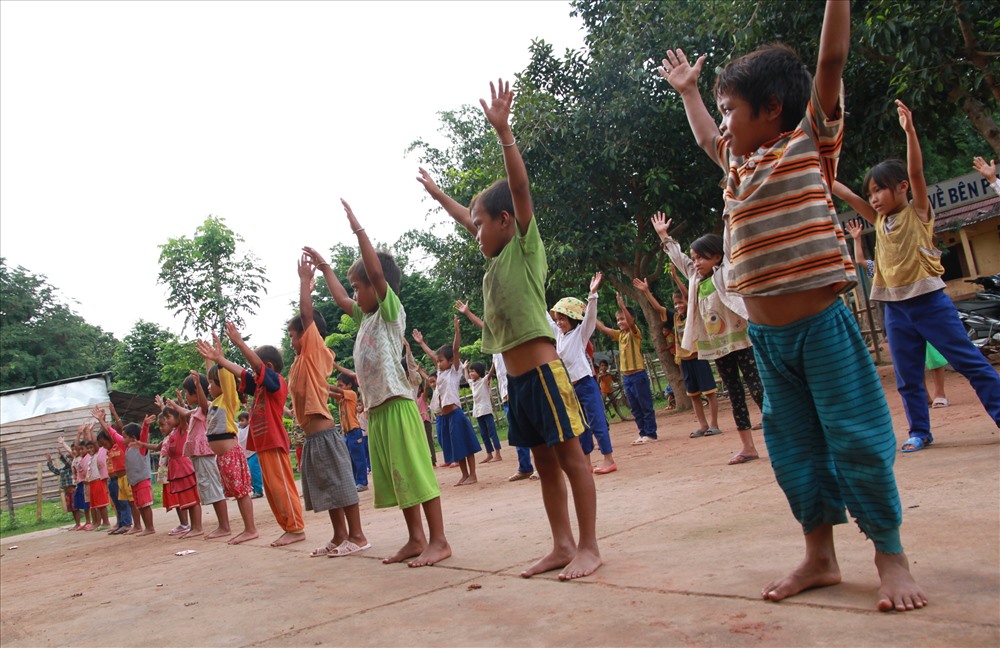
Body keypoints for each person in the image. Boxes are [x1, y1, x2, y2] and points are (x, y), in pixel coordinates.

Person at [659, 0, 925, 610]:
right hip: (770, 343)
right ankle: (820, 556)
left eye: (731, 110)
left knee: (856, 439)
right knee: (794, 451)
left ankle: (891, 557)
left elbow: (831, 59)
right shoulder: (737, 163)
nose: (723, 125)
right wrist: (691, 93)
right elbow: (705, 135)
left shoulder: (809, 143)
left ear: (772, 108)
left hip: (823, 330)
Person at [446, 78, 600, 579]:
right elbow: (469, 218)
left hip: (545, 375)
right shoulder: (492, 263)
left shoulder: (525, 249)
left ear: (507, 222)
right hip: (517, 385)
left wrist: (504, 132)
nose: (474, 233)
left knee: (572, 458)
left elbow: (519, 189)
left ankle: (590, 547)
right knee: (543, 463)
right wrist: (438, 194)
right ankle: (561, 544)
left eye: (480, 224)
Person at [834, 103, 1000, 452]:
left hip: (929, 302)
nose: (874, 198)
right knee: (908, 377)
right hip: (894, 307)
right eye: (871, 193)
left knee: (968, 361)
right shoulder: (878, 221)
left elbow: (918, 172)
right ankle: (919, 432)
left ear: (902, 188)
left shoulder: (918, 211)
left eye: (880, 190)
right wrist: (816, 168)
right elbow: (846, 194)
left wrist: (910, 133)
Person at [303, 198, 450, 567]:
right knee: (399, 477)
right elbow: (338, 297)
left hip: (398, 404)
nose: (354, 293)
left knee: (415, 473)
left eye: (359, 286)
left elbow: (378, 275)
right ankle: (416, 539)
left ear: (377, 287)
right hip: (379, 411)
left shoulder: (389, 311)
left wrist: (358, 230)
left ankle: (440, 540)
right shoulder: (365, 317)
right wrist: (323, 268)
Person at [651, 214, 765, 464]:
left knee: (757, 388)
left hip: (741, 341)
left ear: (717, 256)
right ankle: (748, 446)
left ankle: (784, 437)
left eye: (702, 257)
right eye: (694, 258)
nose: (697, 262)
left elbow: (729, 239)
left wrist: (729, 205)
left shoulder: (726, 271)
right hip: (718, 347)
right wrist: (664, 237)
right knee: (734, 394)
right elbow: (679, 259)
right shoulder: (694, 278)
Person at [287, 251, 368, 559]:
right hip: (312, 437)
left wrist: (306, 284)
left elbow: (307, 317)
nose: (293, 340)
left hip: (324, 434)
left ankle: (358, 536)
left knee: (341, 485)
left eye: (295, 335)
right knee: (327, 487)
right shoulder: (297, 363)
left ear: (308, 336)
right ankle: (339, 536)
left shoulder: (313, 351)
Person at [213, 323, 306, 547]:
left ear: (268, 367)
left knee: (282, 487)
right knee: (273, 490)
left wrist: (238, 342)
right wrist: (220, 360)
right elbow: (243, 372)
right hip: (264, 445)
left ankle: (296, 528)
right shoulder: (259, 387)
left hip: (274, 442)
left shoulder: (276, 383)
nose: (253, 374)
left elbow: (252, 366)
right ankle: (288, 527)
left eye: (258, 369)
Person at [845, 219, 950, 409]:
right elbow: (860, 260)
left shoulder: (913, 254)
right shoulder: (881, 267)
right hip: (899, 315)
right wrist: (857, 239)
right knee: (912, 359)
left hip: (924, 309)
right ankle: (925, 395)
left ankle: (940, 392)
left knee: (934, 353)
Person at [453, 300, 538, 482]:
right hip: (507, 394)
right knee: (517, 431)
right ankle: (525, 467)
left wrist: (468, 314)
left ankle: (539, 466)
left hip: (521, 388)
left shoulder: (510, 338)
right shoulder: (495, 349)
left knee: (532, 429)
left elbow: (485, 327)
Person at [634, 275, 721, 439]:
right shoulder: (674, 317)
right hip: (686, 361)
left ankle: (714, 424)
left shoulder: (693, 314)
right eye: (675, 303)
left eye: (681, 302)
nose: (678, 305)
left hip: (699, 358)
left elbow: (688, 298)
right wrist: (646, 292)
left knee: (709, 393)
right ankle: (703, 425)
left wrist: (675, 278)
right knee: (694, 395)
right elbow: (658, 308)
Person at [547, 273, 617, 474]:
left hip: (586, 384)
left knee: (597, 421)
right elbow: (544, 316)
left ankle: (608, 459)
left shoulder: (580, 334)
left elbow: (590, 318)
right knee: (581, 426)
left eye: (563, 319)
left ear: (572, 318)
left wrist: (592, 294)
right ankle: (586, 462)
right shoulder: (559, 336)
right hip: (571, 388)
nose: (559, 322)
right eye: (557, 319)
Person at [412, 317, 482, 486]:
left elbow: (456, 349)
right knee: (457, 447)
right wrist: (421, 343)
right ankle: (464, 475)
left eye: (441, 360)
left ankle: (473, 475)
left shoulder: (454, 371)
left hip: (455, 414)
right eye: (438, 360)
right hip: (445, 416)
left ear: (451, 361)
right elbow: (432, 355)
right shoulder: (440, 372)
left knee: (466, 445)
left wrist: (457, 331)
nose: (438, 362)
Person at [596, 293, 658, 445]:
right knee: (635, 408)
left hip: (638, 375)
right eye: (618, 319)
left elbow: (630, 323)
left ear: (631, 319)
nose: (619, 322)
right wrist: (589, 312)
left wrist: (622, 305)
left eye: (622, 318)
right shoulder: (620, 335)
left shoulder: (634, 333)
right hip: (627, 377)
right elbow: (604, 328)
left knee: (645, 405)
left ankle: (651, 433)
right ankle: (642, 432)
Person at [181, 370, 231, 540]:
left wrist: (197, 385)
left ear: (196, 392)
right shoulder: (196, 410)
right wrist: (173, 405)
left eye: (188, 393)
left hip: (205, 454)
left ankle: (224, 526)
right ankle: (222, 525)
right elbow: (185, 411)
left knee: (214, 489)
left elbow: (203, 404)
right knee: (209, 488)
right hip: (200, 455)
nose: (186, 396)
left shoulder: (206, 407)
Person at [93, 405, 134, 535]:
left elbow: (117, 429)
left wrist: (111, 414)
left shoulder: (118, 445)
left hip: (122, 477)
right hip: (113, 479)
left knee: (124, 503)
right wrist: (101, 421)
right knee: (117, 504)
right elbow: (102, 435)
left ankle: (127, 523)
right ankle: (120, 523)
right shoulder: (108, 450)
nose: (103, 446)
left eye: (104, 443)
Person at [330, 372, 369, 492]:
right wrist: (318, 387)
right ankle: (354, 482)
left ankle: (362, 482)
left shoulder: (351, 394)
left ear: (349, 385)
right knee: (350, 459)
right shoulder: (341, 398)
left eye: (341, 385)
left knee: (358, 458)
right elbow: (330, 393)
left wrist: (322, 384)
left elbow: (335, 390)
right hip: (347, 433)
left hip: (354, 431)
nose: (339, 387)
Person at [464, 361, 502, 464]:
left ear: (479, 372)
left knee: (492, 432)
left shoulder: (484, 381)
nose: (471, 373)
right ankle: (489, 454)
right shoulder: (472, 383)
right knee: (484, 434)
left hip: (486, 410)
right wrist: (465, 369)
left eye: (473, 371)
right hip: (478, 412)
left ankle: (498, 453)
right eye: (470, 371)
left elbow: (489, 375)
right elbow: (467, 378)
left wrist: (494, 364)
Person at [79, 425, 111, 531]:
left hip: (98, 481)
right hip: (91, 482)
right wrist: (85, 433)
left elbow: (93, 442)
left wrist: (91, 431)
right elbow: (86, 442)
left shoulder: (98, 453)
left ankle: (106, 522)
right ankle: (96, 522)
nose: (89, 450)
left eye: (91, 448)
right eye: (88, 448)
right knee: (94, 505)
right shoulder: (90, 457)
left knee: (101, 504)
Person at [45, 444, 77, 527]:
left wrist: (61, 455)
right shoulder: (63, 470)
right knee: (71, 509)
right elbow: (54, 470)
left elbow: (68, 462)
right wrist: (50, 461)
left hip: (72, 490)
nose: (67, 460)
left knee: (75, 508)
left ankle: (78, 523)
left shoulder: (72, 467)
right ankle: (77, 524)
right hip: (67, 491)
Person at [68, 431, 92, 530]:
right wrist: (78, 434)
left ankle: (91, 522)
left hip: (88, 482)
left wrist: (85, 433)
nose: (80, 451)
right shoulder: (79, 458)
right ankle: (87, 522)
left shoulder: (88, 457)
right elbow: (76, 447)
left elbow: (88, 442)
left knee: (89, 504)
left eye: (82, 449)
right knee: (84, 503)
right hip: (81, 483)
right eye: (79, 450)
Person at [237, 412, 264, 498]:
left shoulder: (250, 427)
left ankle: (259, 490)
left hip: (253, 453)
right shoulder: (239, 429)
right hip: (245, 455)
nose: (240, 422)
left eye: (242, 420)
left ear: (248, 421)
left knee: (255, 472)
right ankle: (254, 490)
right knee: (249, 474)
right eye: (239, 421)